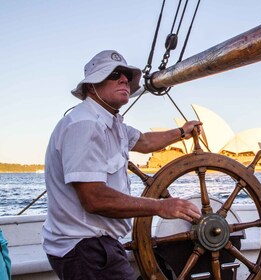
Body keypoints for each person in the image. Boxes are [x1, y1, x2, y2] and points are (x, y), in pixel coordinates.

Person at [42, 50, 202, 280]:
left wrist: (181, 132)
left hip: (98, 244)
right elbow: (94, 198)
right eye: (114, 74)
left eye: (127, 75)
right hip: (84, 249)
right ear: (91, 87)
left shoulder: (112, 123)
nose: (124, 79)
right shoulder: (85, 125)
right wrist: (160, 206)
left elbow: (145, 141)